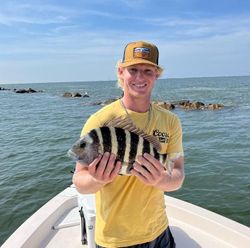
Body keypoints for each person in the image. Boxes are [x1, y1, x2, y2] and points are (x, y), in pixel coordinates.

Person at [73, 41, 185, 248]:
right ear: (121, 72)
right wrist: (97, 179)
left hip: (159, 231)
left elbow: (178, 175)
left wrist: (160, 179)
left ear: (156, 75)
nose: (140, 77)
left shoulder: (170, 121)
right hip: (114, 239)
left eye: (147, 71)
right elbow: (79, 180)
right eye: (133, 70)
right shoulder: (100, 121)